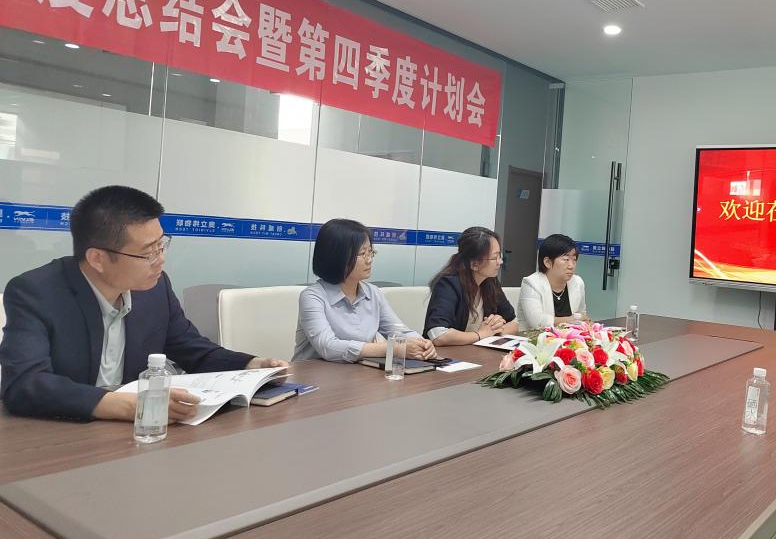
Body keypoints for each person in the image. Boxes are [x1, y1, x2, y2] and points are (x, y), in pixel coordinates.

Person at [0, 186, 287, 422]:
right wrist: (128, 405)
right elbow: (25, 384)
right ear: (97, 258)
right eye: (148, 252)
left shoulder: (154, 288)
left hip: (140, 434)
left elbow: (190, 348)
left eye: (162, 245)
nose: (161, 259)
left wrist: (252, 365)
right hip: (60, 434)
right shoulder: (36, 292)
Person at [294, 219, 437, 363]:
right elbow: (328, 347)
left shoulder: (373, 293)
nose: (369, 260)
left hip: (359, 372)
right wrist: (393, 348)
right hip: (314, 374)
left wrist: (422, 343)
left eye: (370, 252)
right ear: (337, 256)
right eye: (363, 254)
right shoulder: (312, 297)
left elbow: (398, 331)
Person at [424, 226, 518, 345]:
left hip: (477, 352)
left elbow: (514, 323)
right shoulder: (448, 284)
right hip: (446, 354)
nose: (500, 262)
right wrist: (481, 334)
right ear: (474, 264)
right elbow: (438, 334)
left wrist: (495, 330)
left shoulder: (490, 281)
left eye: (500, 256)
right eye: (494, 258)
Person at [517, 234, 588, 330]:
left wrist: (582, 321)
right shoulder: (531, 283)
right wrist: (571, 320)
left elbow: (582, 316)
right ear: (547, 262)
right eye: (566, 259)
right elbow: (538, 322)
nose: (571, 266)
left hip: (567, 337)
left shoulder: (578, 282)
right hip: (534, 337)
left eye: (574, 260)